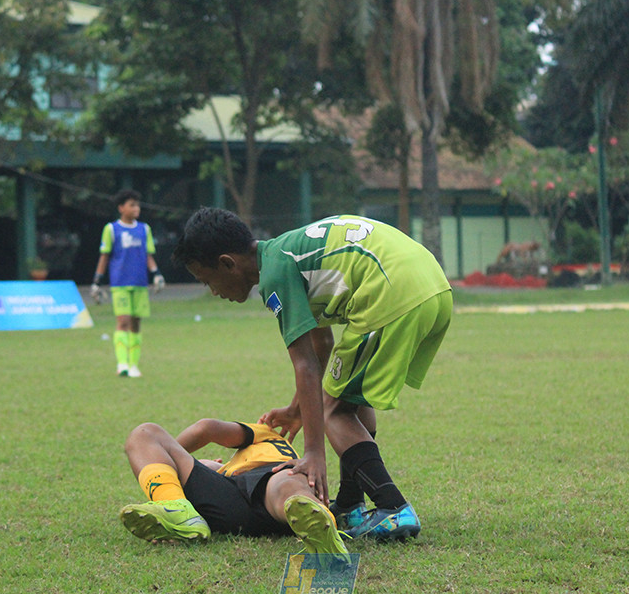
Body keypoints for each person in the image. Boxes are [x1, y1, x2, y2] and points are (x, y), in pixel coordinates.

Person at [171, 210, 452, 540]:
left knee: (333, 408)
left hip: (393, 294)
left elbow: (305, 364)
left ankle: (393, 507)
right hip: (433, 287)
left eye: (207, 280)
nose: (214, 291)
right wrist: (295, 411)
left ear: (228, 263)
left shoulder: (275, 273)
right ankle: (350, 505)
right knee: (348, 398)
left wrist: (314, 453)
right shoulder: (290, 254)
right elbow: (322, 344)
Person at [119, 417, 350, 562]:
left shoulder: (268, 435)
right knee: (288, 487)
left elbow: (205, 428)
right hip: (237, 497)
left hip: (267, 478)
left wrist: (168, 453)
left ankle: (321, 527)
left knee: (288, 479)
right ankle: (178, 512)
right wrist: (208, 466)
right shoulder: (222, 468)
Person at [90, 189, 166, 378]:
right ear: (121, 208)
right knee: (122, 321)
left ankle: (134, 365)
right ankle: (122, 364)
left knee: (136, 323)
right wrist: (97, 282)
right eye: (132, 205)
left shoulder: (144, 229)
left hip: (140, 283)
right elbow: (104, 256)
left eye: (137, 205)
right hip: (120, 284)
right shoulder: (111, 229)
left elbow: (148, 255)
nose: (136, 208)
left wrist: (156, 274)